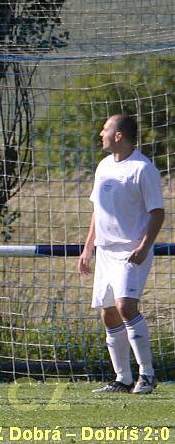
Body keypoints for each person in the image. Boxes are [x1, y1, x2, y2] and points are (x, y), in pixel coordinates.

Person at [78, 114, 165, 395]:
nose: (100, 134)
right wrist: (88, 247)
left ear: (119, 136)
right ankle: (123, 378)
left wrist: (143, 247)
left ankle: (148, 375)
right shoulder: (103, 166)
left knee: (126, 306)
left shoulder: (142, 169)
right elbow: (97, 211)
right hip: (105, 251)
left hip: (130, 251)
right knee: (108, 313)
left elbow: (157, 213)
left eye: (105, 129)